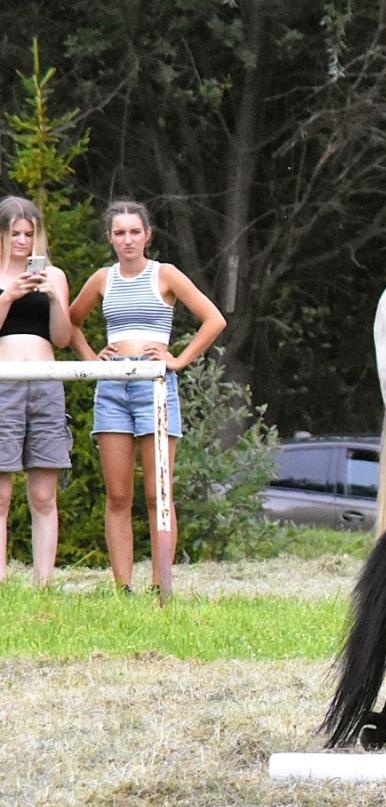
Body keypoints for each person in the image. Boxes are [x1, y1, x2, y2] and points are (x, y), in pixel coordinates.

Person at [68, 200, 226, 598]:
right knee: (118, 494)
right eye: (120, 233)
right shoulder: (103, 279)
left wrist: (179, 360)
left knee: (159, 492)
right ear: (110, 238)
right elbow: (70, 322)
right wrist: (91, 360)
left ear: (147, 235)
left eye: (134, 232)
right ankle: (123, 587)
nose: (128, 240)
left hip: (154, 384)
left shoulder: (165, 274)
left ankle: (161, 585)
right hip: (113, 386)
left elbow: (214, 319)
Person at [0, 196, 73, 586]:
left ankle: (43, 583)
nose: (22, 241)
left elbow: (62, 338)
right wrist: (9, 296)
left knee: (44, 494)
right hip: (4, 383)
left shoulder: (54, 275)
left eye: (29, 234)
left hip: (45, 383)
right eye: (15, 233)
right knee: (1, 495)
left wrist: (55, 298)